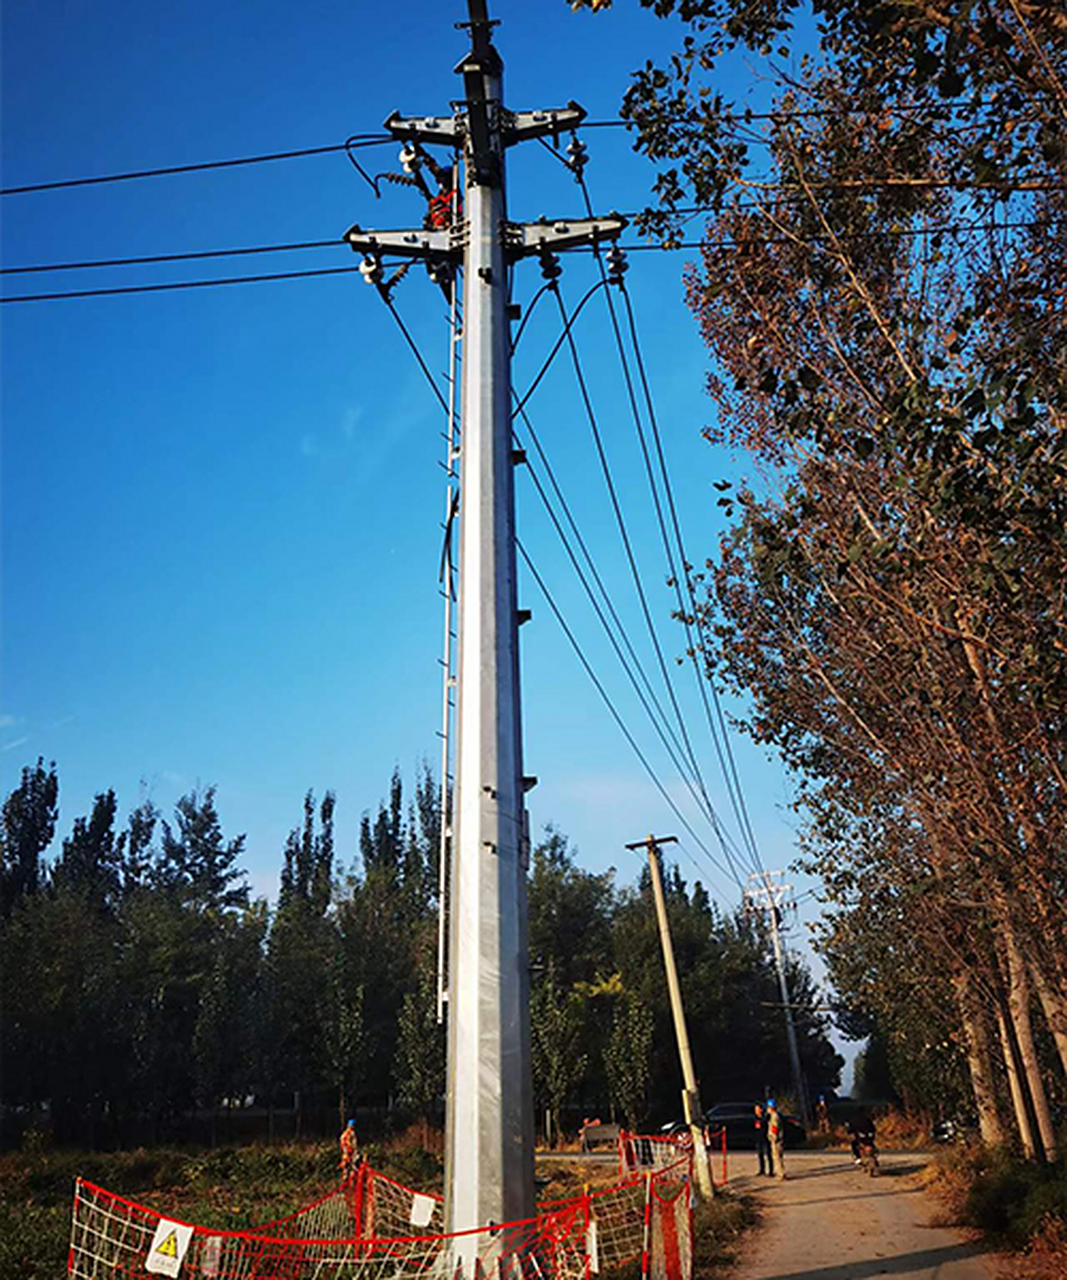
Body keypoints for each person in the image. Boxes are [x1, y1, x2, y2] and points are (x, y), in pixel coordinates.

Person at [766, 1099, 786, 1180]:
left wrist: (773, 1137)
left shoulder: (775, 1116)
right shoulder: (773, 1116)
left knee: (777, 1157)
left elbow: (775, 1128)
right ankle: (778, 1172)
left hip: (776, 1139)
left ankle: (781, 1173)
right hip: (775, 1138)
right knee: (775, 1156)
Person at [754, 1103, 770, 1176]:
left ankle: (770, 1170)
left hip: (766, 1137)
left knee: (768, 1154)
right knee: (760, 1154)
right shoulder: (755, 1118)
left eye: (757, 1109)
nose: (756, 1111)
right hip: (758, 1138)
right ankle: (762, 1169)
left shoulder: (766, 1117)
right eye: (755, 1109)